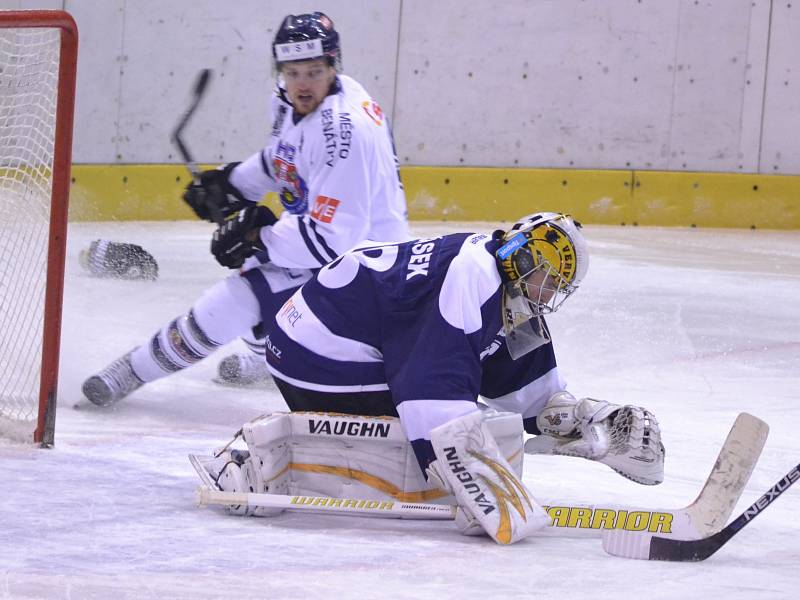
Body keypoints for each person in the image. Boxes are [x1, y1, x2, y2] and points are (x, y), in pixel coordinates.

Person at [200, 212, 666, 545]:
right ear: (527, 261)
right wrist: (479, 486)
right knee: (426, 443)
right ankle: (256, 465)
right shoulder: (467, 282)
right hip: (313, 348)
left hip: (339, 332)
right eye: (548, 280)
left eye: (556, 289)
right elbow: (430, 400)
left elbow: (532, 397)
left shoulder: (501, 278)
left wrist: (590, 423)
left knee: (479, 432)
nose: (548, 295)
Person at [82, 12, 410, 405]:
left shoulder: (343, 132)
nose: (302, 85)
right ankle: (269, 357)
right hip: (334, 242)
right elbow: (283, 160)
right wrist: (230, 183)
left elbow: (331, 240)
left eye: (314, 72)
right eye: (293, 72)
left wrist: (258, 237)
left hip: (366, 266)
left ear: (333, 66)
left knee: (239, 297)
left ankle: (130, 371)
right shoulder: (291, 101)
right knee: (254, 271)